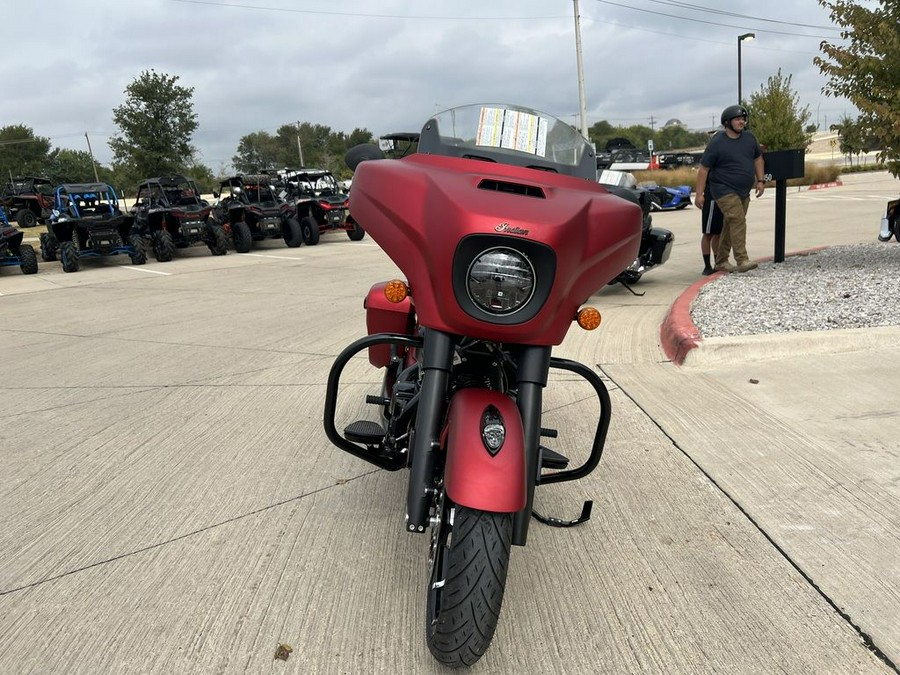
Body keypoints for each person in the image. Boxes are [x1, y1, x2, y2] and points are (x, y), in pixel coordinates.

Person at [694, 104, 766, 273]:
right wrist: (699, 194)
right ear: (727, 122)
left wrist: (761, 181)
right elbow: (703, 169)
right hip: (723, 189)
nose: (742, 122)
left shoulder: (750, 138)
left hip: (744, 191)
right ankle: (742, 259)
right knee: (738, 220)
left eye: (743, 119)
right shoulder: (717, 142)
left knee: (729, 224)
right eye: (738, 119)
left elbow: (758, 159)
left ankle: (721, 261)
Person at [700, 185, 723, 275]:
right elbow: (702, 178)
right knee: (708, 233)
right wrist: (699, 194)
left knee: (717, 234)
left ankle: (717, 264)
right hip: (711, 199)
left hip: (721, 199)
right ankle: (707, 266)